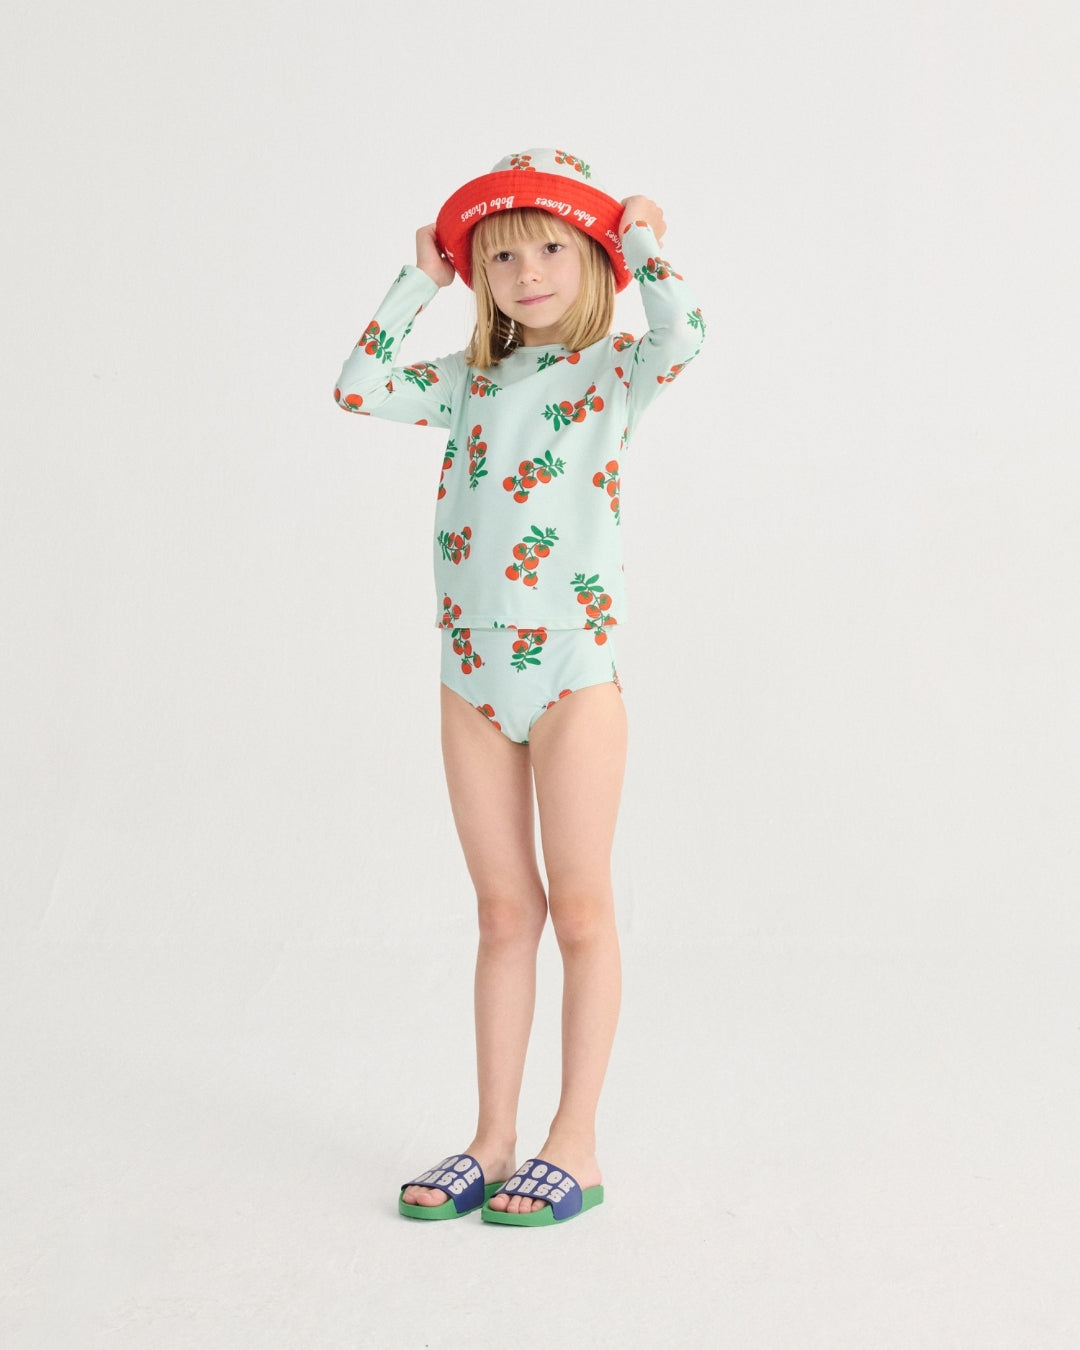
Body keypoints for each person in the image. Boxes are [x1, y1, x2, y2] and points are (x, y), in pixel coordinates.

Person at [334, 149, 705, 1226]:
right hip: (471, 674)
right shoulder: (468, 381)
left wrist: (643, 240)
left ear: (591, 258)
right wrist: (421, 278)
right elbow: (357, 385)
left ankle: (572, 1142)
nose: (527, 273)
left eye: (549, 248)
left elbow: (688, 335)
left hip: (572, 673)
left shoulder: (616, 369)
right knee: (503, 913)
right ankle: (491, 1139)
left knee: (581, 909)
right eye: (500, 257)